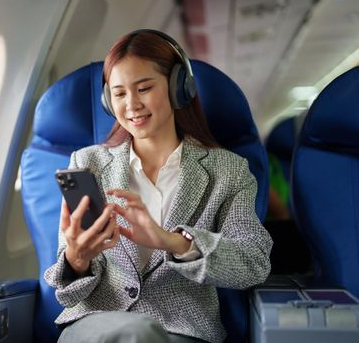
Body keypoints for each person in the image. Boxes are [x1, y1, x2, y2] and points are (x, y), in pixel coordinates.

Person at [44, 29, 273, 343]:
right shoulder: (87, 164)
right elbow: (68, 294)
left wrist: (174, 242)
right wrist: (76, 258)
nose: (131, 104)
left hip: (181, 330)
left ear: (180, 88)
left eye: (144, 88)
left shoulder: (227, 171)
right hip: (95, 326)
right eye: (120, 93)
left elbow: (253, 262)